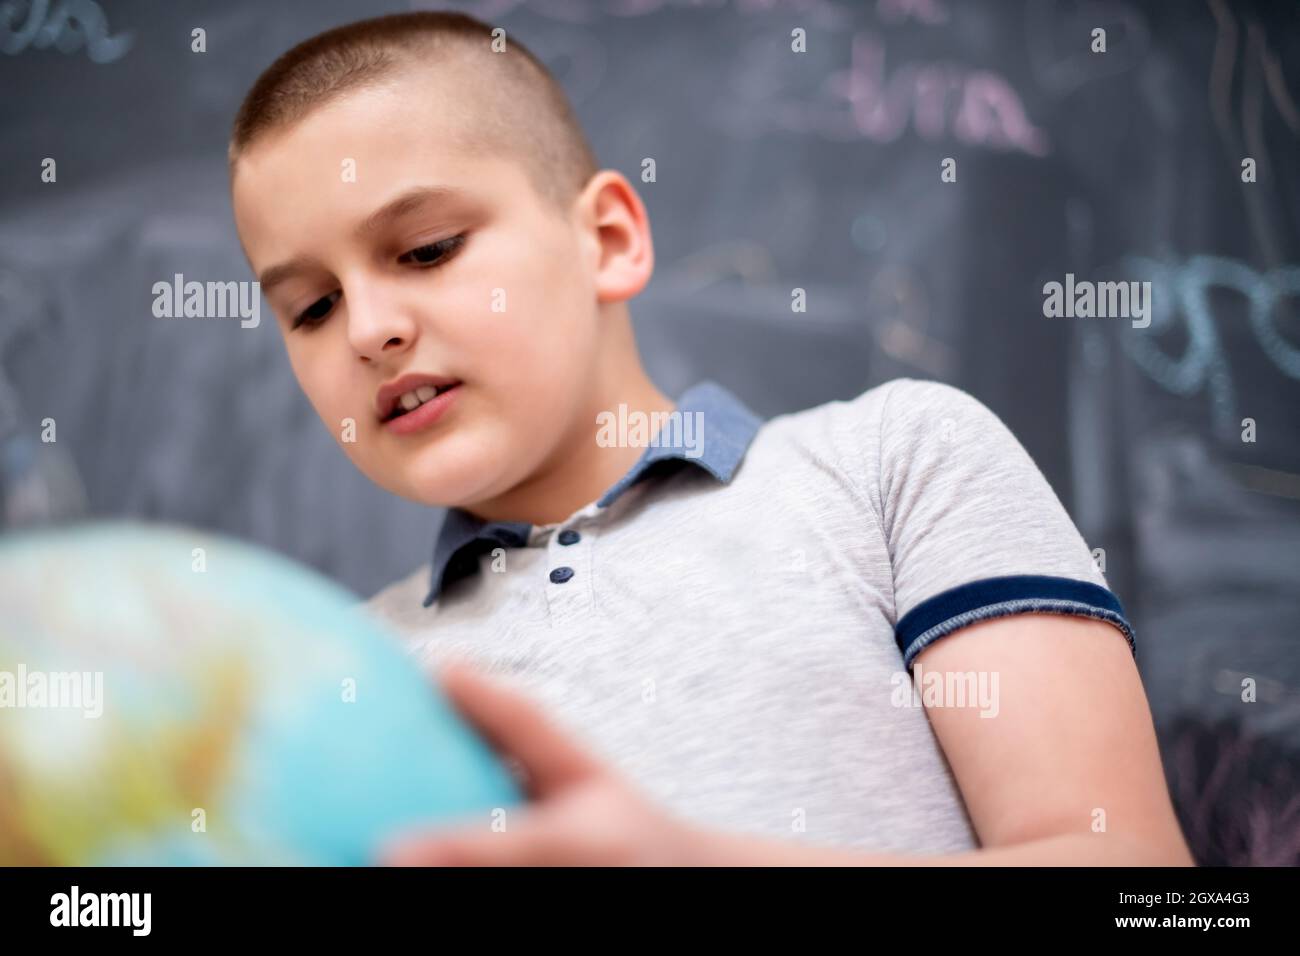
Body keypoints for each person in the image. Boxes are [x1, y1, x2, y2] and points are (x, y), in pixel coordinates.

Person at [228, 11, 1193, 866]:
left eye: (429, 249)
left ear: (608, 239)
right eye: (311, 307)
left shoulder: (898, 464)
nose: (367, 330)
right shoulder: (333, 678)